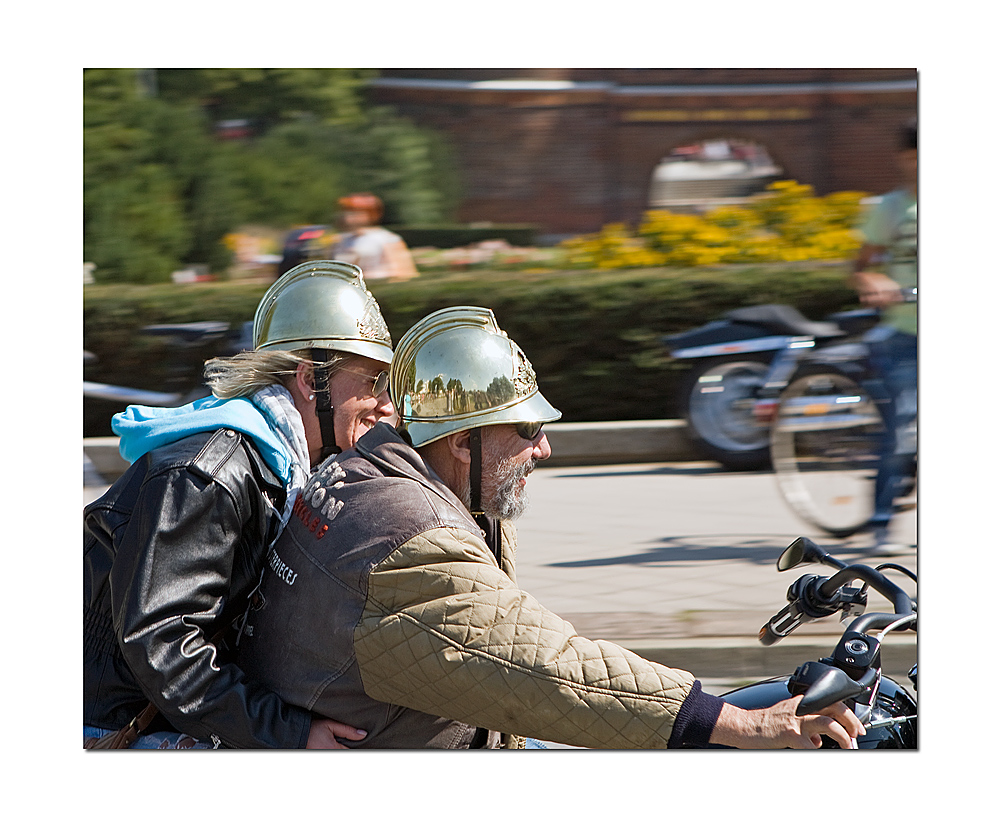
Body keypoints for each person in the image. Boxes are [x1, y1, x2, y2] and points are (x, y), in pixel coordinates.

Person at [236, 305, 865, 749]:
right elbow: (549, 668)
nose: (544, 449)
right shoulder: (407, 536)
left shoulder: (373, 475)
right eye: (527, 429)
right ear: (462, 442)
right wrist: (738, 724)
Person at [83, 260, 394, 749]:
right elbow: (163, 644)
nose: (386, 405)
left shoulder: (290, 465)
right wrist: (292, 735)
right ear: (311, 380)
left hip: (185, 714)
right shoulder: (208, 476)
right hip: (125, 728)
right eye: (373, 382)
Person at [851, 121, 918, 556]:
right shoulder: (893, 207)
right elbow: (863, 264)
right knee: (903, 427)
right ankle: (881, 523)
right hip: (905, 334)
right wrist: (876, 283)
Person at [330, 192, 419, 280]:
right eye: (346, 211)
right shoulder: (341, 241)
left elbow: (405, 273)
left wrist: (366, 276)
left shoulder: (387, 239)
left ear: (370, 214)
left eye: (353, 212)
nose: (347, 216)